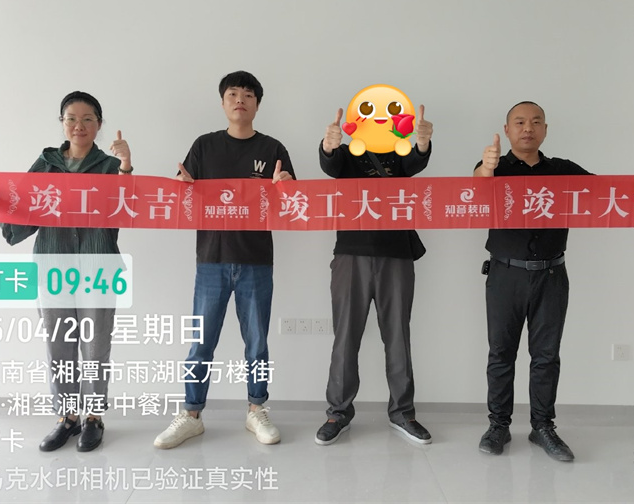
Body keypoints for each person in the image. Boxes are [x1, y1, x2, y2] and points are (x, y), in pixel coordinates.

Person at [473, 100, 634, 462]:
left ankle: (542, 427)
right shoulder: (494, 167)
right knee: (501, 353)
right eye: (519, 122)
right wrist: (486, 167)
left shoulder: (563, 170)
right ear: (507, 130)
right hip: (505, 275)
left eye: (535, 121)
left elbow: (615, 192)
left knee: (546, 356)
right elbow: (474, 190)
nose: (527, 128)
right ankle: (498, 425)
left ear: (545, 129)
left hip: (551, 276)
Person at [0, 91, 132, 452]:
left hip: (98, 267)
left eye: (88, 119)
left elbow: (127, 208)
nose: (79, 126)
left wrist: (125, 165)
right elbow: (21, 208)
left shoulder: (109, 166)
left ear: (99, 124)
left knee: (95, 347)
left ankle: (93, 418)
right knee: (59, 346)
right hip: (53, 266)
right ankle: (67, 417)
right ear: (62, 123)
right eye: (71, 118)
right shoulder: (45, 164)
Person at [153, 70, 294, 449]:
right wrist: (181, 188)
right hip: (211, 260)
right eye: (232, 94)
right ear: (222, 102)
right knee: (201, 343)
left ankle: (257, 410)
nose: (240, 100)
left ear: (257, 104)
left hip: (256, 260)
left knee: (257, 343)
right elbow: (182, 195)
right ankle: (191, 415)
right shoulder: (204, 146)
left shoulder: (272, 149)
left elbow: (292, 203)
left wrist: (285, 188)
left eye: (248, 94)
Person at [315, 102, 434, 446]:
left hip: (396, 255)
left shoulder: (399, 154)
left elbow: (416, 161)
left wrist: (422, 143)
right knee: (346, 336)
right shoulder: (346, 155)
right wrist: (328, 145)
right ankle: (338, 412)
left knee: (397, 335)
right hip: (351, 255)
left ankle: (403, 412)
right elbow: (330, 163)